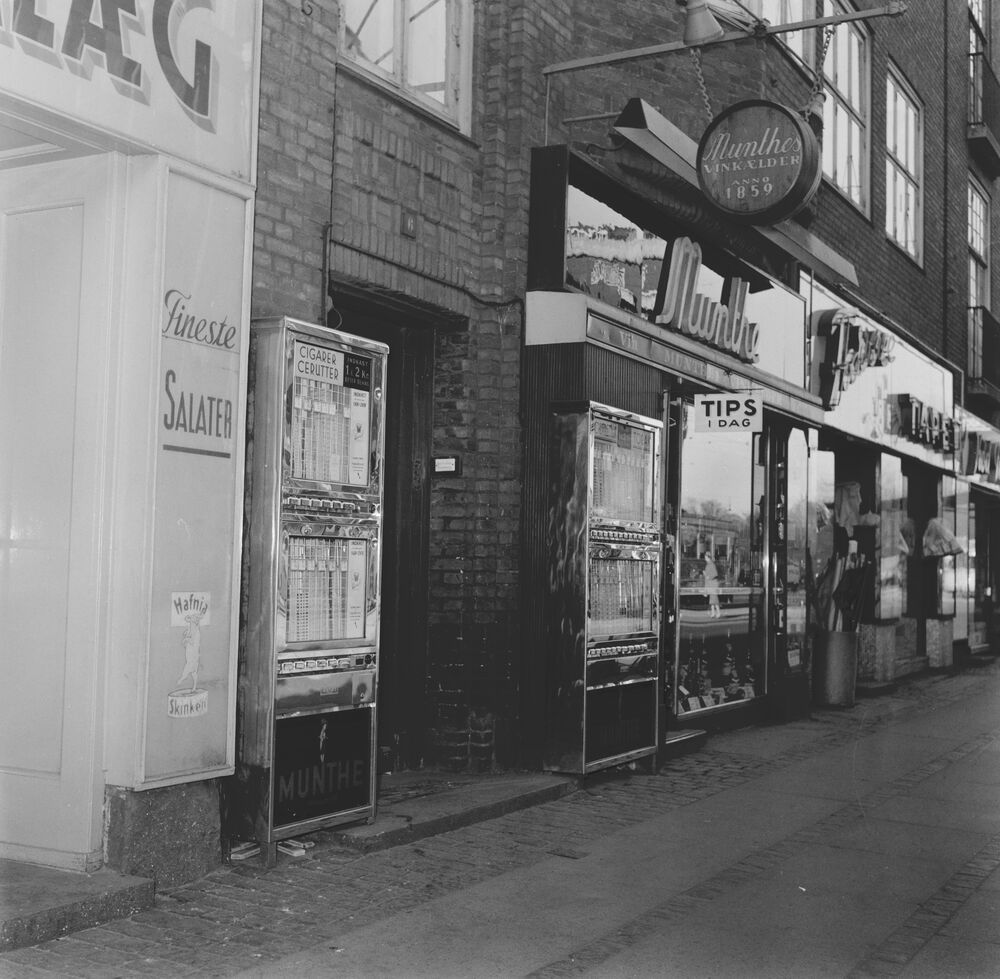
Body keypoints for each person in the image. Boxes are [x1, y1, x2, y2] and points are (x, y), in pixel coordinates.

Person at [703, 553, 721, 618]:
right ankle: (713, 612)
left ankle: (718, 612)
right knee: (712, 599)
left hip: (712, 583)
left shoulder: (711, 564)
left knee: (714, 598)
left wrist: (707, 576)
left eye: (705, 557)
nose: (705, 558)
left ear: (708, 557)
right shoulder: (709, 564)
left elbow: (715, 574)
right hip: (711, 583)